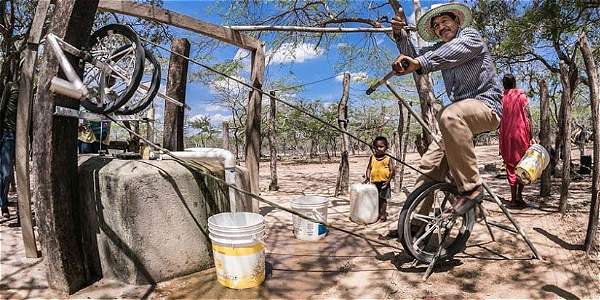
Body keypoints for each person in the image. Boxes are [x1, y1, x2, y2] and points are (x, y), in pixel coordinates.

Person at [391, 3, 503, 215]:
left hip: (486, 106)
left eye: (445, 21)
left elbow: (436, 57)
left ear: (457, 21)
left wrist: (418, 62)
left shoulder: (470, 37)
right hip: (457, 119)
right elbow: (414, 56)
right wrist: (400, 35)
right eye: (436, 26)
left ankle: (472, 189)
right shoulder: (438, 49)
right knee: (428, 166)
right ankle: (415, 223)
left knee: (449, 114)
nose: (441, 27)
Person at [499, 73, 534, 208]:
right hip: (521, 134)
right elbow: (528, 116)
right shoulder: (521, 96)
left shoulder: (500, 98)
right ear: (514, 83)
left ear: (504, 84)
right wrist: (531, 135)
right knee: (523, 164)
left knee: (510, 166)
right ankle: (520, 196)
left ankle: (514, 199)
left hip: (506, 135)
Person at [0, 78, 19, 219]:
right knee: (4, 173)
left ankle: (4, 204)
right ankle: (3, 204)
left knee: (8, 174)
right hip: (6, 133)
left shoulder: (31, 91)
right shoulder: (10, 86)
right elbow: (2, 108)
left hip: (16, 136)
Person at [365, 136, 395, 222]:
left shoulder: (388, 158)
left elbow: (392, 171)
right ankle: (376, 213)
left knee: (383, 199)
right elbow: (369, 168)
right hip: (374, 182)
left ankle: (383, 215)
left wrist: (388, 181)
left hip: (384, 182)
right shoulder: (372, 157)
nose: (379, 149)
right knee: (375, 198)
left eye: (381, 146)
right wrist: (367, 177)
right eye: (376, 147)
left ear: (386, 147)